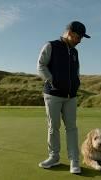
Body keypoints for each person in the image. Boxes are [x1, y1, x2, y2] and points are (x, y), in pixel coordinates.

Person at [37, 21, 90, 174]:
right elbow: (41, 65)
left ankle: (74, 161)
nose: (80, 41)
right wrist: (52, 81)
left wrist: (76, 84)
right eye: (79, 37)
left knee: (72, 128)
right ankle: (54, 157)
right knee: (53, 127)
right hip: (53, 95)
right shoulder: (51, 46)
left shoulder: (74, 52)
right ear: (70, 33)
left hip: (71, 96)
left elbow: (76, 71)